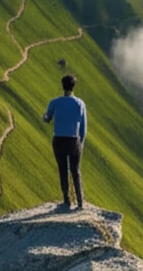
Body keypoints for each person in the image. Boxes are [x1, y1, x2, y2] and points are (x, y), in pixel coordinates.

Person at [42, 74, 87, 210]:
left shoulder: (55, 102)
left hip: (59, 139)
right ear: (74, 87)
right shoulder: (80, 103)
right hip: (74, 140)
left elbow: (47, 117)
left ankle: (66, 200)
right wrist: (81, 143)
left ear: (62, 86)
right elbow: (83, 128)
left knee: (63, 169)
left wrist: (45, 117)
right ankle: (80, 201)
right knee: (75, 170)